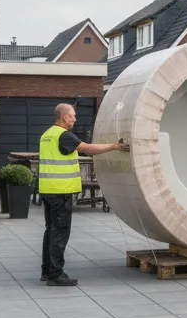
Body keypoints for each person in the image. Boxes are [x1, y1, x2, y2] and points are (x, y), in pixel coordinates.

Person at [39, 103, 129, 286]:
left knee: (51, 230)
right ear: (65, 117)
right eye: (73, 116)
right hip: (61, 191)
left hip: (48, 189)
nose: (75, 119)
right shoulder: (63, 135)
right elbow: (87, 148)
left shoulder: (46, 135)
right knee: (60, 232)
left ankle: (47, 270)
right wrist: (114, 146)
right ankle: (56, 274)